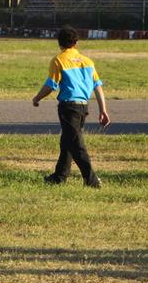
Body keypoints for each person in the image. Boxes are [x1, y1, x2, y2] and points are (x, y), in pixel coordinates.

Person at [32, 26, 109, 188]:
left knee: (76, 144)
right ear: (76, 42)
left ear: (59, 43)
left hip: (68, 107)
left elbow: (51, 85)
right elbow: (98, 86)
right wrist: (103, 110)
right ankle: (59, 176)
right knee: (67, 141)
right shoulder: (87, 61)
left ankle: (92, 180)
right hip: (83, 107)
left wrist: (37, 97)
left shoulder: (59, 60)